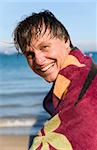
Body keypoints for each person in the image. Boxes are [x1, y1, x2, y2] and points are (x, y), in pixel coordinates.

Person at [13, 10, 97, 150]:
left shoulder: (83, 86)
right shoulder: (84, 68)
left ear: (65, 40)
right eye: (30, 54)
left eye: (44, 47)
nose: (39, 61)